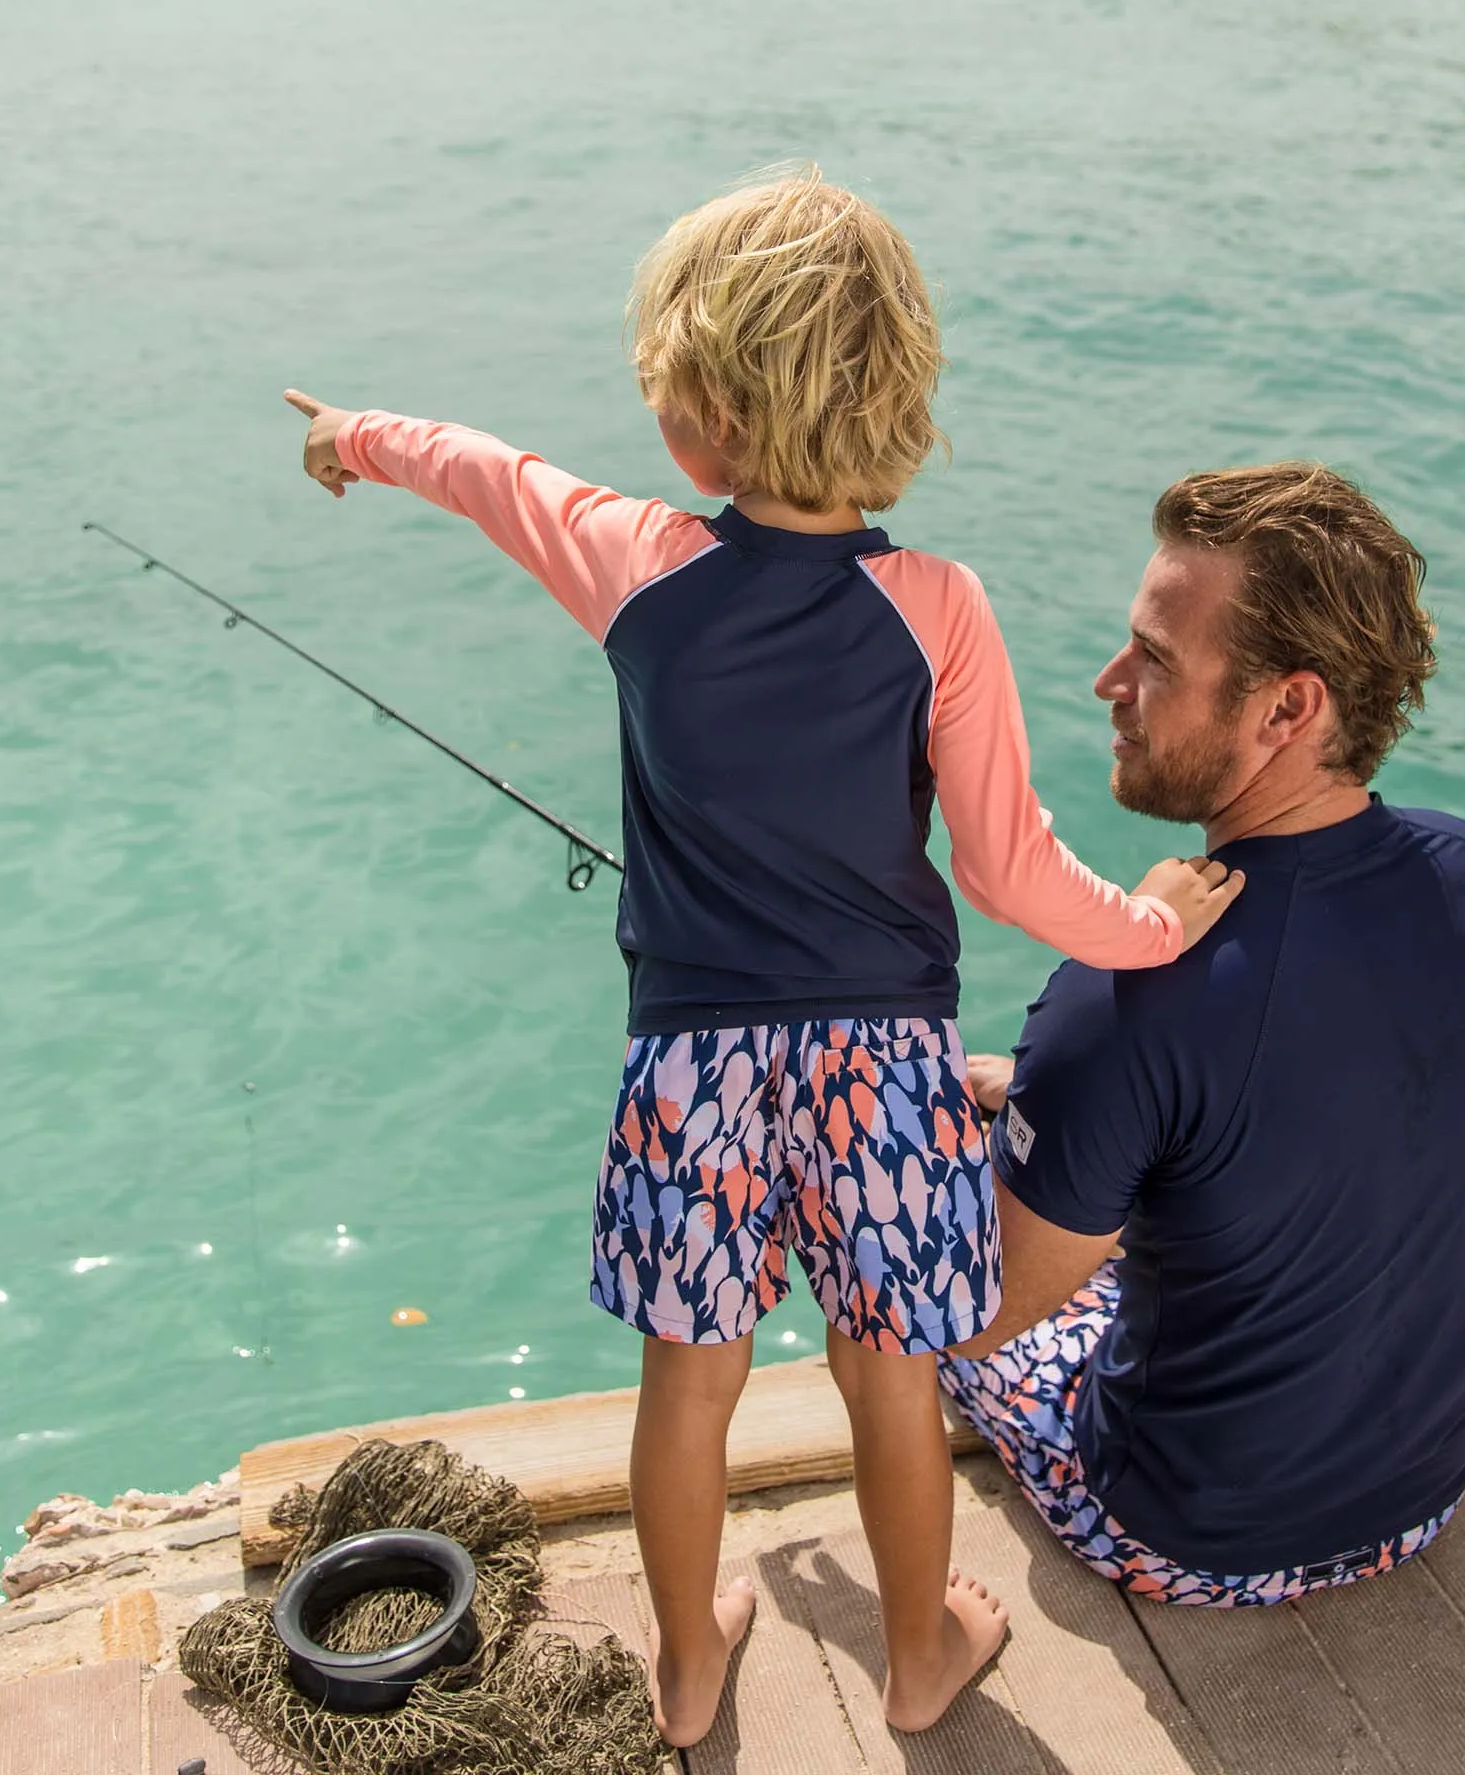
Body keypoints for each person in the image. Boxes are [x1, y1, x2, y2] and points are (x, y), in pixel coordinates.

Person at [283, 171, 1241, 1743]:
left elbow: (483, 472)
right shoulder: (939, 607)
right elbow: (1007, 869)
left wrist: (351, 437)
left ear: (697, 418)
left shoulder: (636, 558)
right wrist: (1153, 925)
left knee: (693, 1380)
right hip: (885, 1060)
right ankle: (923, 1650)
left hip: (693, 1060)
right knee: (889, 1376)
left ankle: (684, 1663)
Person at [942, 463, 1465, 1607]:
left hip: (1195, 1535)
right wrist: (1055, 1096)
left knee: (904, 1278)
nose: (1105, 682)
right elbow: (1309, 1112)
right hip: (1425, 1487)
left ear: (1286, 708)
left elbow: (972, 1311)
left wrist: (915, 1136)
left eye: (1155, 659)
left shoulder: (1124, 988)